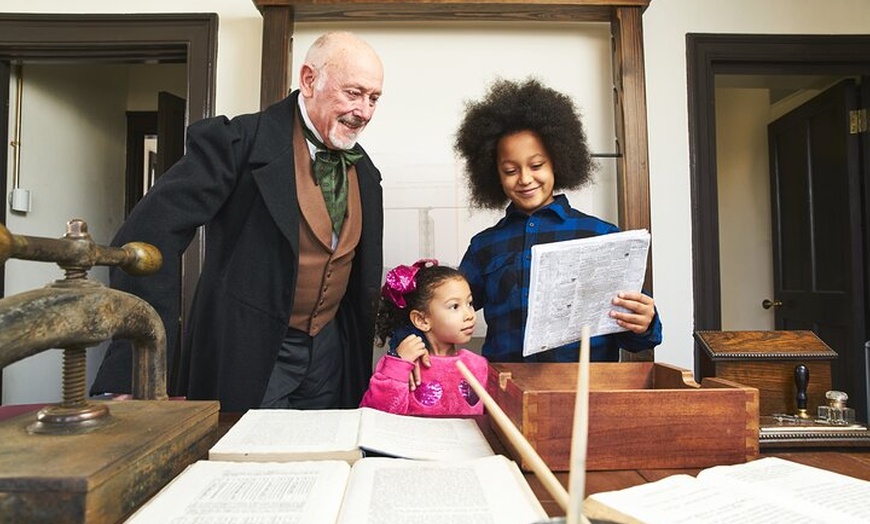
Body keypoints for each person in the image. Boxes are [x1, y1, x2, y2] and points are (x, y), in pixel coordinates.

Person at [90, 31, 386, 412]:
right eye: (353, 93)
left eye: (373, 98)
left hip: (330, 354)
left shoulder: (366, 172)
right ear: (309, 80)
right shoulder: (237, 142)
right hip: (248, 352)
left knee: (324, 458)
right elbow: (145, 237)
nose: (363, 111)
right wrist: (135, 365)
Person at [455, 78, 662, 363]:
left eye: (536, 165)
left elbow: (636, 337)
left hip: (589, 395)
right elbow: (448, 310)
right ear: (494, 174)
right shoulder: (484, 247)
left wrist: (645, 322)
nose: (525, 178)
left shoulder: (601, 236)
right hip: (507, 396)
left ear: (558, 161)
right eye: (510, 170)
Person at [360, 259, 488, 416]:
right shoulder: (401, 365)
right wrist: (398, 366)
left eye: (469, 303)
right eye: (454, 306)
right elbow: (374, 416)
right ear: (422, 320)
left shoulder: (478, 365)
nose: (470, 315)